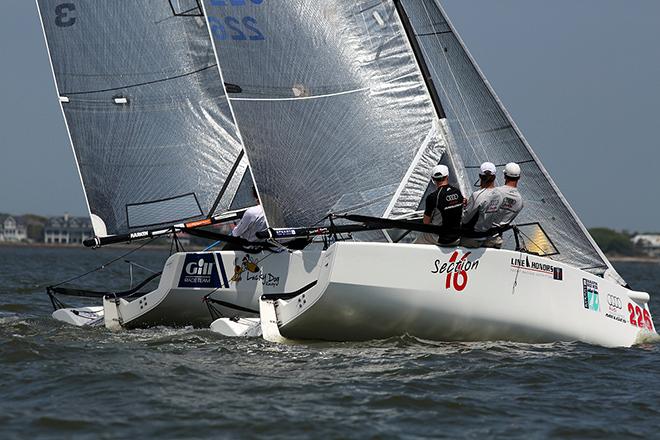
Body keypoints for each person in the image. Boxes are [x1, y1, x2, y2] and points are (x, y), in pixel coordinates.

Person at [415, 164, 464, 246]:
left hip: (441, 239)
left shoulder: (432, 197)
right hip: (456, 237)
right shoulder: (457, 192)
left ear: (433, 179)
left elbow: (426, 222)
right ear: (447, 176)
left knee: (420, 238)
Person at [460, 161, 502, 248]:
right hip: (490, 237)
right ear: (494, 177)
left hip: (473, 238)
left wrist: (463, 206)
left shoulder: (476, 195)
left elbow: (465, 219)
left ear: (480, 176)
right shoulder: (500, 195)